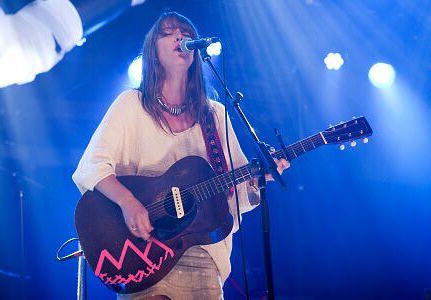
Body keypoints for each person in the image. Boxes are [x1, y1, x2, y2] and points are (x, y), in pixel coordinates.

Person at [72, 11, 290, 300]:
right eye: (168, 32)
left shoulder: (215, 115)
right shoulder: (131, 105)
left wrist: (258, 177)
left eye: (186, 32)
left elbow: (234, 192)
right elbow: (92, 166)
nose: (180, 37)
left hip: (203, 254)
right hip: (144, 251)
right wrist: (128, 202)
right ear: (153, 51)